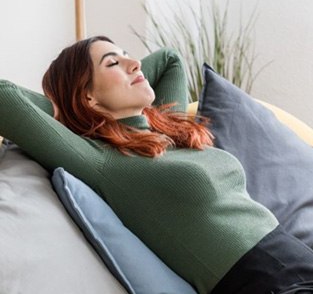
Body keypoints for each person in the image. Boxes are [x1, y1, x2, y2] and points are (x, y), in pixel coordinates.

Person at [1, 35, 313, 294]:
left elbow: (170, 60)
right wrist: (67, 107)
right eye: (113, 63)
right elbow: (5, 96)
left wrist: (115, 75)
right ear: (89, 98)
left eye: (128, 56)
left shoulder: (166, 129)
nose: (134, 63)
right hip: (268, 284)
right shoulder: (103, 162)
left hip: (300, 261)